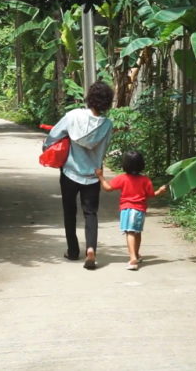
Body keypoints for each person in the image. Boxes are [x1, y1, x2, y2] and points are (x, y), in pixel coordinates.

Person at [43, 81, 114, 270]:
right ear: (107, 102)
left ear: (89, 98)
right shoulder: (107, 125)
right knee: (91, 213)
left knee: (69, 211)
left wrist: (46, 148)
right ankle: (91, 249)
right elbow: (104, 149)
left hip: (70, 172)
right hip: (92, 175)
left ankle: (73, 251)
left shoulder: (73, 116)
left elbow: (54, 135)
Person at [95, 151, 167, 271]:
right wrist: (160, 191)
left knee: (130, 232)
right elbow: (151, 194)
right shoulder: (145, 180)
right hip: (140, 210)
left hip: (127, 209)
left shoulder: (122, 178)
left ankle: (132, 258)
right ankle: (137, 255)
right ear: (141, 164)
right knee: (137, 232)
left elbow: (107, 188)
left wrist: (100, 176)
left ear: (125, 164)